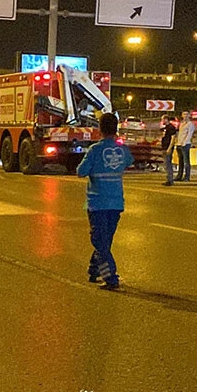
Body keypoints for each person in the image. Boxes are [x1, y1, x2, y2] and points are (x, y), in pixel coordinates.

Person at [76, 113, 134, 290]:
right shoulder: (122, 150)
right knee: (105, 239)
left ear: (99, 128)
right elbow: (129, 161)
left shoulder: (95, 150)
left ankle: (110, 278)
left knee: (100, 241)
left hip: (97, 203)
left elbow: (81, 171)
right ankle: (94, 270)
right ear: (116, 128)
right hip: (117, 202)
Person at [175, 112, 197, 182]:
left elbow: (189, 134)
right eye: (184, 114)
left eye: (187, 114)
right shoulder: (181, 124)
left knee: (186, 161)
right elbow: (180, 134)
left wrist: (184, 142)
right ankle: (179, 175)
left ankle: (187, 176)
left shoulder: (190, 124)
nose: (185, 116)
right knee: (180, 161)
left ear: (189, 116)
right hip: (179, 144)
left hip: (185, 144)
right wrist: (177, 142)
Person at [160, 115, 179, 186]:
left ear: (166, 119)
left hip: (168, 148)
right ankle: (169, 179)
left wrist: (169, 148)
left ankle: (170, 180)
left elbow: (173, 138)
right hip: (164, 147)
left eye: (163, 120)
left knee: (168, 164)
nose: (162, 121)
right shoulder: (166, 128)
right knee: (166, 164)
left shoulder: (171, 128)